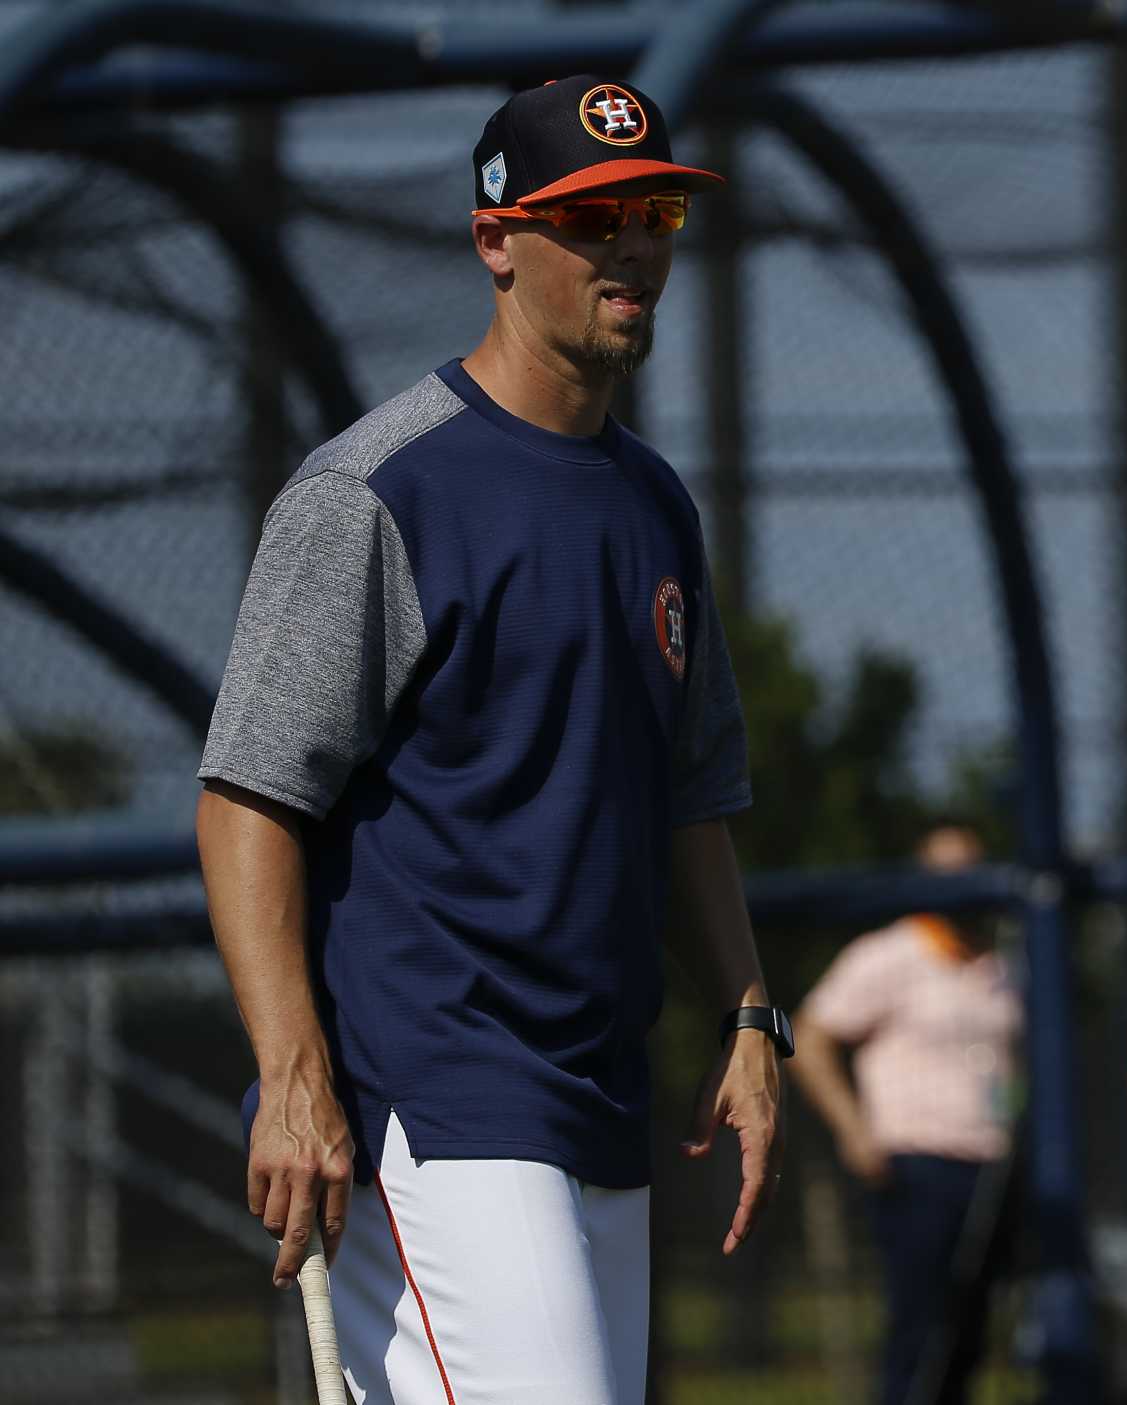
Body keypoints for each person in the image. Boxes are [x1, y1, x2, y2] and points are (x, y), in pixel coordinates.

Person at [195, 76, 789, 1404]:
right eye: (593, 220)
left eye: (655, 216)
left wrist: (750, 1016)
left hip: (599, 1090)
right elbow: (244, 801)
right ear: (496, 239)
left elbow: (690, 794)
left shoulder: (652, 501)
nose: (634, 247)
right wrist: (292, 1077)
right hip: (430, 1094)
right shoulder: (377, 488)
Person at [787, 822, 1022, 1405]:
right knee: (920, 1326)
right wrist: (853, 1128)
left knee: (971, 1332)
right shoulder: (888, 954)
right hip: (916, 1164)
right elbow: (810, 1037)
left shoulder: (1003, 963)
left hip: (990, 1167)